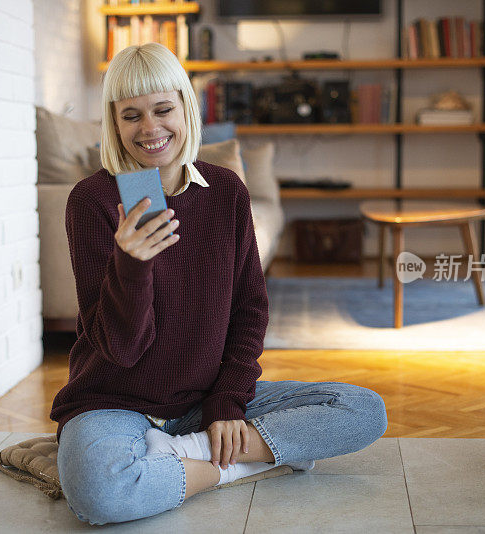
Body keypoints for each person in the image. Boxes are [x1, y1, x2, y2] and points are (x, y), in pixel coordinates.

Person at [50, 42, 388, 526]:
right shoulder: (93, 201)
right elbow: (120, 351)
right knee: (99, 494)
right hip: (114, 400)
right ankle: (231, 464)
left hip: (204, 397)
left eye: (163, 109)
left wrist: (227, 401)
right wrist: (132, 264)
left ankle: (181, 455)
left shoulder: (225, 190)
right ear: (114, 122)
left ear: (187, 107)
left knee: (363, 409)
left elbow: (249, 309)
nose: (150, 129)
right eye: (131, 116)